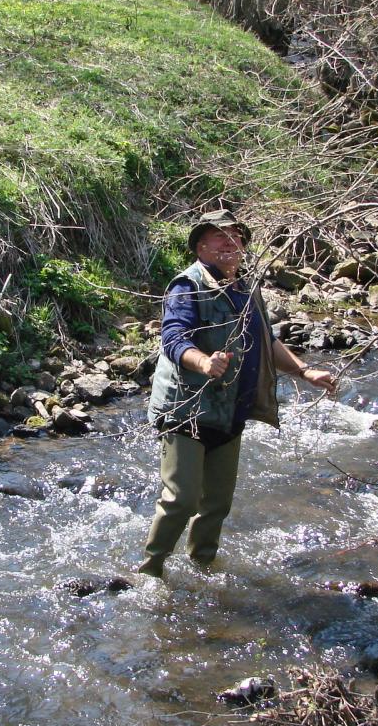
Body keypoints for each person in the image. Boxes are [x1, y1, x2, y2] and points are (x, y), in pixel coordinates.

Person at [139, 210, 338, 577]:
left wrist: (305, 371)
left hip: (231, 409)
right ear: (201, 246)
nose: (230, 242)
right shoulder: (187, 285)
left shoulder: (246, 288)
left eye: (236, 236)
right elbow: (173, 338)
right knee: (181, 500)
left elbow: (268, 341)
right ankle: (150, 571)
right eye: (219, 236)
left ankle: (202, 567)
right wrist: (203, 363)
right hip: (187, 408)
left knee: (216, 504)